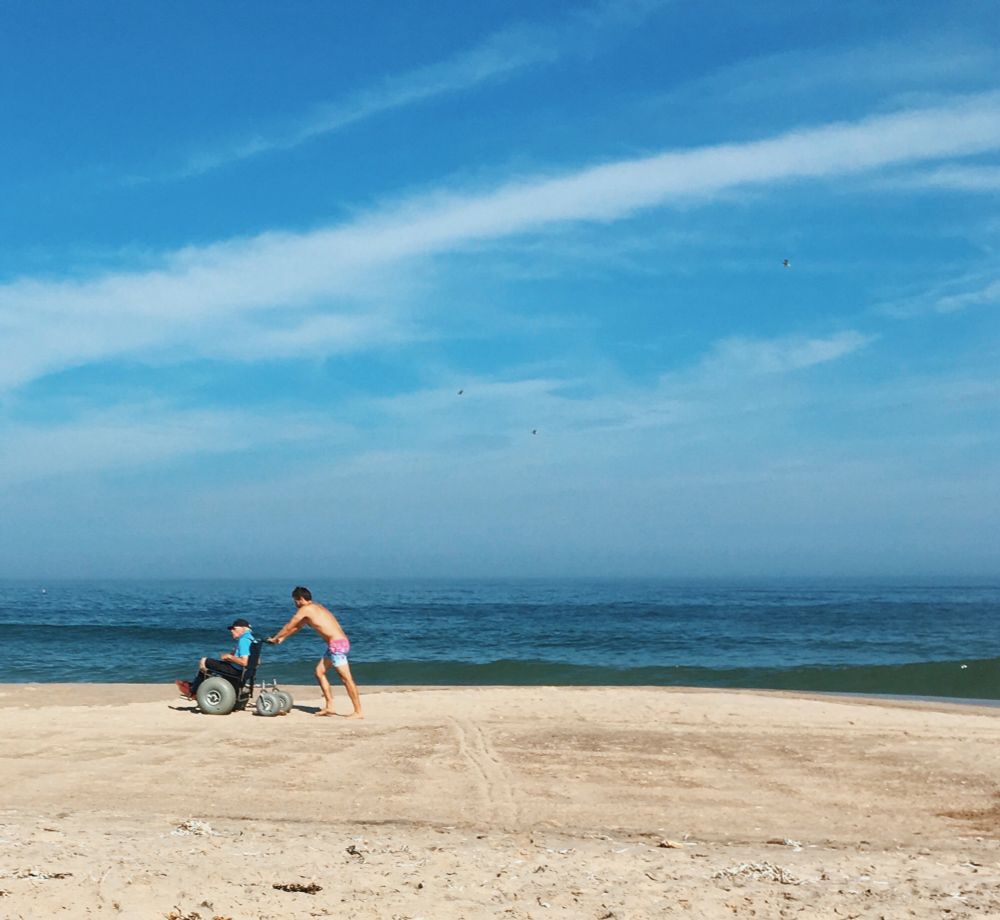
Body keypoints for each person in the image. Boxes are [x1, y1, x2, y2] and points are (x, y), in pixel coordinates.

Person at [267, 586, 363, 718]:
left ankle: (358, 711)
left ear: (300, 599)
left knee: (346, 679)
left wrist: (275, 638)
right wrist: (282, 638)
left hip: (337, 645)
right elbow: (297, 627)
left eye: (295, 601)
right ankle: (329, 706)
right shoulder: (316, 608)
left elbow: (290, 625)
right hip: (335, 644)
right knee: (319, 672)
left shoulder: (305, 609)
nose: (294, 604)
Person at [176, 618, 256, 700]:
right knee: (215, 664)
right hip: (244, 671)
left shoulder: (243, 640)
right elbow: (257, 661)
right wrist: (232, 659)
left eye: (234, 628)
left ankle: (193, 691)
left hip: (236, 671)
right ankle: (196, 686)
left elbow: (244, 662)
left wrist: (229, 657)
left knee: (205, 661)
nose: (231, 631)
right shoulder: (252, 640)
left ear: (243, 629)